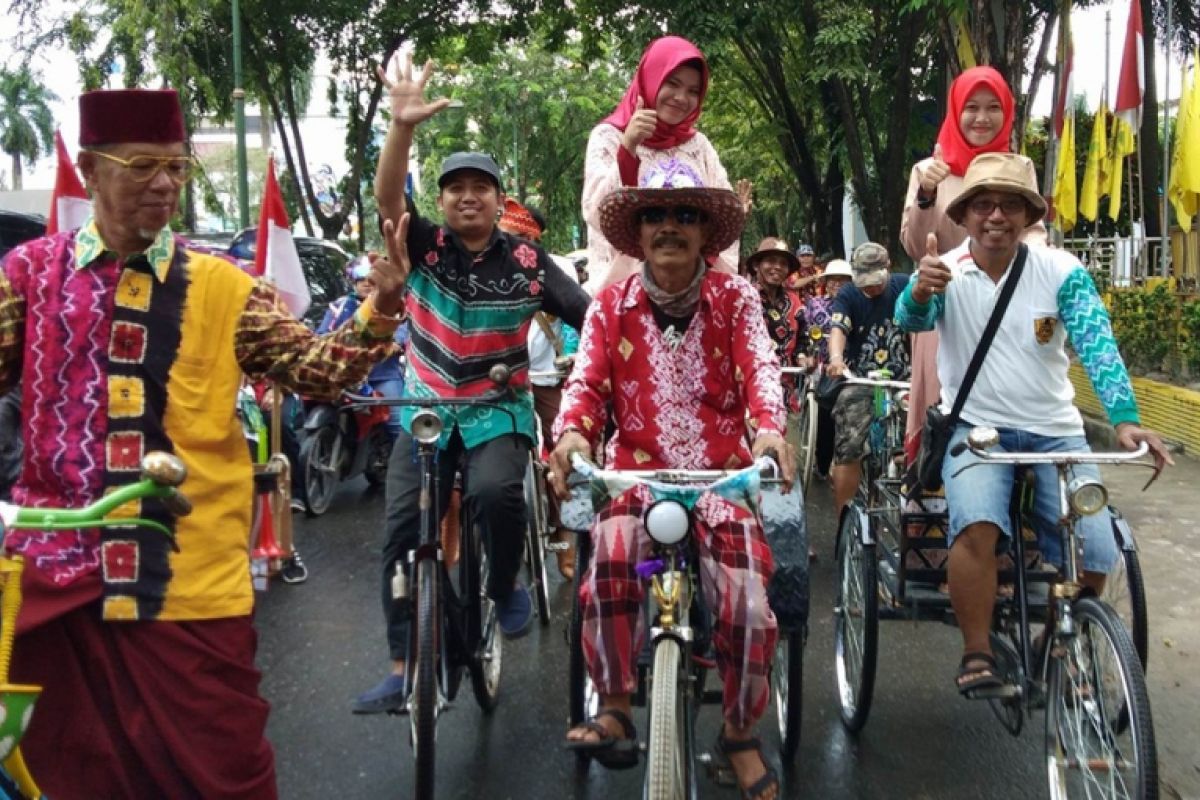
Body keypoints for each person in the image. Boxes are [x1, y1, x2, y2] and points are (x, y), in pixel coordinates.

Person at [0, 88, 407, 798]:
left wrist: (382, 308)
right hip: (54, 576)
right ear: (92, 171)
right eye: (140, 166)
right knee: (64, 775)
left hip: (188, 583)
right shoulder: (28, 276)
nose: (163, 185)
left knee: (228, 779)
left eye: (176, 168)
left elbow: (315, 370)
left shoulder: (225, 286)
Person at [353, 53, 590, 715]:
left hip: (497, 413)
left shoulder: (526, 260)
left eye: (479, 188)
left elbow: (587, 316)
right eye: (454, 187)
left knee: (493, 493)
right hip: (425, 413)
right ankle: (403, 664)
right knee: (400, 532)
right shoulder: (422, 243)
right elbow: (386, 195)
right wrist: (400, 128)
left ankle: (508, 581)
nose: (466, 196)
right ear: (442, 198)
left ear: (497, 199)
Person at [551, 161, 791, 800]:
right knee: (608, 563)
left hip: (722, 481)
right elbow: (586, 383)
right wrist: (572, 430)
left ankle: (739, 734)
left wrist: (769, 429)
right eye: (656, 215)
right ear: (637, 229)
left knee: (746, 603)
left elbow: (761, 370)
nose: (669, 228)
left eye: (686, 215)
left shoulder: (736, 299)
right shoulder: (610, 304)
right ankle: (618, 705)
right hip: (633, 476)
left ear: (706, 231)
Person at [894, 152, 1172, 696]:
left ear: (1027, 216)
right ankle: (977, 650)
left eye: (1011, 205)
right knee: (976, 527)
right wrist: (919, 289)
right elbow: (912, 319)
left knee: (1097, 545)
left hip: (1057, 431)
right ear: (966, 212)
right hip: (977, 430)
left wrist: (1125, 420)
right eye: (985, 205)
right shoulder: (945, 269)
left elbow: (1097, 343)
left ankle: (1057, 635)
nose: (996, 216)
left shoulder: (1061, 271)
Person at [899, 66, 1047, 464]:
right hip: (945, 303)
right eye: (972, 107)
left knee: (1027, 401)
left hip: (1009, 303)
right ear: (955, 111)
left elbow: (1033, 232)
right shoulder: (928, 170)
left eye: (993, 107)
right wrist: (928, 194)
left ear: (1007, 112)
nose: (982, 118)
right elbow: (916, 245)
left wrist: (1053, 271)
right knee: (943, 410)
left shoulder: (1021, 167)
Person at [581, 35, 741, 292]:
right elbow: (596, 214)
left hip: (691, 294)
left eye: (692, 91)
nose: (681, 98)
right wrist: (628, 148)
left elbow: (721, 220)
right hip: (623, 295)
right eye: (673, 83)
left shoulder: (699, 146)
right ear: (651, 79)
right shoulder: (609, 136)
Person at [498, 196, 581, 579]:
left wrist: (577, 359)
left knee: (561, 463)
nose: (508, 241)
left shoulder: (554, 267)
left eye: (516, 235)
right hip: (503, 383)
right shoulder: (485, 264)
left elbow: (576, 315)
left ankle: (563, 544)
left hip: (549, 380)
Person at [826, 242, 912, 516]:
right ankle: (844, 521)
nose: (870, 288)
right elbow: (838, 328)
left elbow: (923, 328)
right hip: (862, 381)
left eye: (876, 281)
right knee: (849, 445)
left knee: (928, 435)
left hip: (905, 381)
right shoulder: (848, 294)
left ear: (887, 268)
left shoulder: (905, 285)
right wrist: (837, 359)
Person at [318, 255, 410, 436]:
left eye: (371, 280)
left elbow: (402, 333)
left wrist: (393, 345)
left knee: (398, 427)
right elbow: (322, 333)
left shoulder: (394, 305)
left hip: (381, 376)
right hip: (344, 377)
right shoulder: (340, 306)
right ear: (353, 282)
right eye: (361, 280)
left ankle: (397, 463)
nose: (366, 284)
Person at [745, 237, 805, 429]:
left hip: (785, 385)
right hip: (749, 385)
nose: (777, 267)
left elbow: (803, 338)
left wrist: (804, 356)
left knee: (782, 450)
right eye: (771, 261)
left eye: (783, 263)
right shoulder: (744, 296)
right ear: (756, 265)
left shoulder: (794, 302)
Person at [802, 258, 853, 480]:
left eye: (843, 281)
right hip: (823, 367)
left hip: (851, 367)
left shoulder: (855, 303)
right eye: (833, 281)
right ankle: (822, 464)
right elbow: (804, 334)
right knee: (825, 416)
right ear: (826, 282)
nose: (837, 285)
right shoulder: (814, 305)